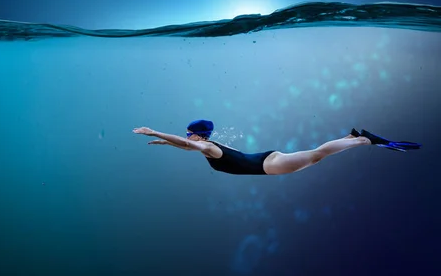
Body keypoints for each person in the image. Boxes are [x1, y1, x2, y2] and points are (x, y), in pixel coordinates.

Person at [132, 120, 421, 175]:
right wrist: (164, 143)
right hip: (267, 159)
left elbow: (186, 145)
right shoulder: (206, 147)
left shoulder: (208, 148)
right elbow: (185, 147)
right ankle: (353, 137)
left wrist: (154, 130)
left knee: (317, 156)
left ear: (201, 137)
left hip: (268, 165)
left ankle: (363, 139)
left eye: (190, 135)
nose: (188, 138)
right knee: (315, 155)